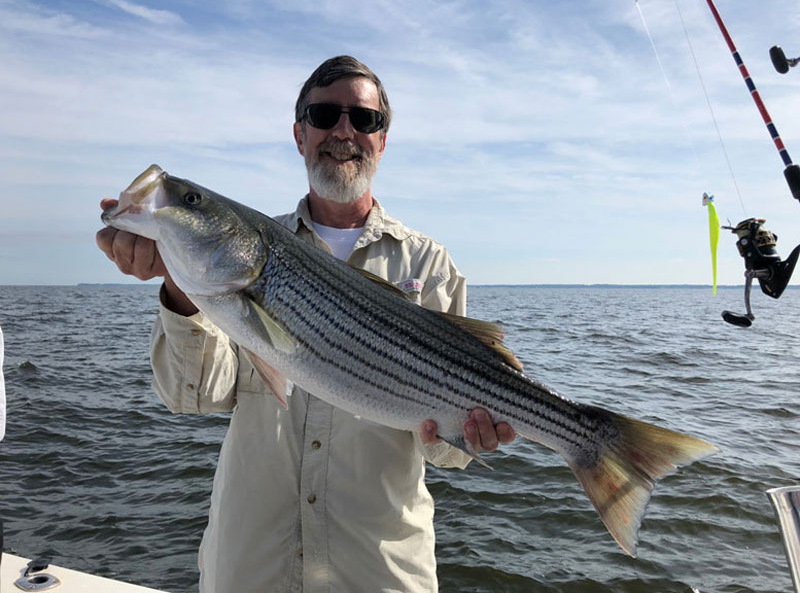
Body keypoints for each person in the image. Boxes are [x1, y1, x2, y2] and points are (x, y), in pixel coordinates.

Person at [97, 55, 515, 593]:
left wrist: (468, 435)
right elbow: (194, 397)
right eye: (324, 115)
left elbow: (446, 453)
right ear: (300, 134)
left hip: (379, 572)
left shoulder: (429, 265)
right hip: (252, 567)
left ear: (382, 141)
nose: (344, 132)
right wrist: (178, 284)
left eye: (364, 121)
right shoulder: (244, 257)